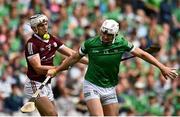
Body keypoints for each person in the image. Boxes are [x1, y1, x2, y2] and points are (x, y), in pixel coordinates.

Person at [46, 19, 178, 116]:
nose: (104, 36)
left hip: (110, 88)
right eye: (103, 32)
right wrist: (57, 70)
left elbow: (142, 54)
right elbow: (74, 57)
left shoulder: (122, 43)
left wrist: (162, 67)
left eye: (108, 34)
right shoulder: (91, 43)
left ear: (115, 35)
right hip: (92, 85)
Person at [24, 14, 88, 116]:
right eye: (41, 25)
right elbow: (38, 68)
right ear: (34, 29)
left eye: (46, 24)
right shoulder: (31, 44)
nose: (45, 27)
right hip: (35, 84)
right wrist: (60, 67)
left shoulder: (52, 39)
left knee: (49, 115)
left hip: (47, 84)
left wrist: (91, 62)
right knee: (52, 115)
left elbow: (72, 54)